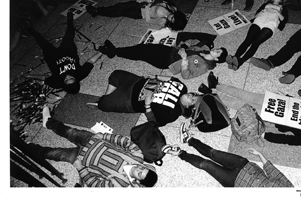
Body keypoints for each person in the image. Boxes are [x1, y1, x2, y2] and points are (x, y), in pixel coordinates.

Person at [201, 72, 301, 154]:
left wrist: (267, 136)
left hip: (275, 117)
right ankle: (217, 86)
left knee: (241, 105)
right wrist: (286, 97)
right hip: (278, 103)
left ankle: (212, 94)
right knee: (247, 95)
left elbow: (290, 140)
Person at [27, 106, 158, 187]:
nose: (138, 167)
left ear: (138, 181)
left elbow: (96, 184)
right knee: (69, 131)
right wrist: (104, 136)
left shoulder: (121, 184)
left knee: (55, 154)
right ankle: (49, 122)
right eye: (142, 167)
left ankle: (28, 148)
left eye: (139, 173)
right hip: (94, 140)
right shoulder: (138, 156)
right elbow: (125, 141)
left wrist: (81, 168)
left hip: (81, 159)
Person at [161, 125, 293, 187]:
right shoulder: (289, 188)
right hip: (245, 166)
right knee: (214, 153)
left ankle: (180, 153)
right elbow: (273, 171)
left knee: (206, 165)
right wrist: (260, 154)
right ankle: (189, 140)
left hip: (235, 182)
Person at [24, 12, 102, 94]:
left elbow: (45, 78)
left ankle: (33, 33)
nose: (67, 77)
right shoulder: (81, 74)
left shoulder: (57, 83)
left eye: (66, 80)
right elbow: (90, 61)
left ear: (64, 84)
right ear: (76, 80)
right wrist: (101, 52)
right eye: (71, 79)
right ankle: (70, 21)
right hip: (68, 52)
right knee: (69, 36)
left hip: (53, 57)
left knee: (43, 44)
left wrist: (30, 76)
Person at [88, 70, 195, 127]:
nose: (191, 95)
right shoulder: (183, 88)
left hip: (130, 100)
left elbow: (154, 122)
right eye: (194, 94)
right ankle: (110, 94)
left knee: (103, 104)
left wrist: (147, 105)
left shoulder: (173, 113)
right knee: (116, 74)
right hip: (137, 82)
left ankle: (109, 98)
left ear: (188, 107)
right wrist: (156, 77)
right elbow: (173, 78)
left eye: (192, 99)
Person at [99, 39, 227, 80]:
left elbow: (186, 76)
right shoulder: (204, 48)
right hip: (170, 50)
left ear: (216, 59)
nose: (216, 49)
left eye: (218, 52)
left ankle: (114, 52)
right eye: (218, 48)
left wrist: (184, 59)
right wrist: (183, 46)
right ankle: (115, 51)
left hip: (167, 62)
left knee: (142, 54)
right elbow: (192, 41)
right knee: (143, 47)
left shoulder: (204, 66)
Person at [226, 0, 288, 70]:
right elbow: (256, 16)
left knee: (255, 43)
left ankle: (240, 61)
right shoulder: (266, 5)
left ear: (281, 0)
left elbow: (284, 20)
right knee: (247, 40)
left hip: (270, 24)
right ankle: (235, 58)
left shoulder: (282, 7)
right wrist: (263, 10)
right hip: (259, 21)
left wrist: (277, 12)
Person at [86, 0, 188, 31]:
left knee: (120, 11)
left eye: (172, 20)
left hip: (139, 13)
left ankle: (98, 11)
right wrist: (149, 0)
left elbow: (148, 20)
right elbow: (161, 0)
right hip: (141, 4)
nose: (171, 17)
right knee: (119, 6)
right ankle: (98, 10)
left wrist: (148, 7)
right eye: (173, 17)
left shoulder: (163, 21)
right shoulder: (173, 8)